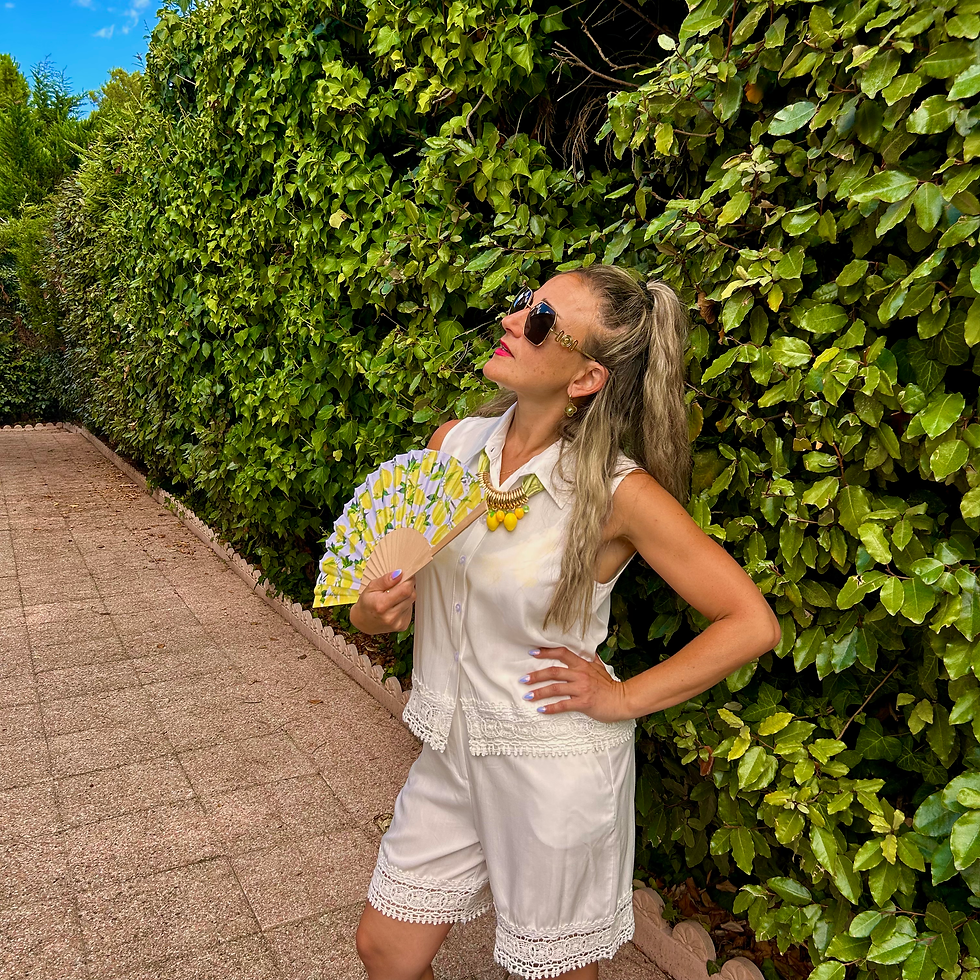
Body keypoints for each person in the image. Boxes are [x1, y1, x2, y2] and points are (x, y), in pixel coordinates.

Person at [350, 265, 780, 980]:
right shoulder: (452, 446)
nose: (512, 320)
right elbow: (400, 594)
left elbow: (750, 621)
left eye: (542, 320)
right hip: (453, 750)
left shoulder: (616, 492)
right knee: (386, 949)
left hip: (549, 770)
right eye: (524, 303)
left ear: (586, 378)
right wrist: (373, 610)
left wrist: (622, 697)